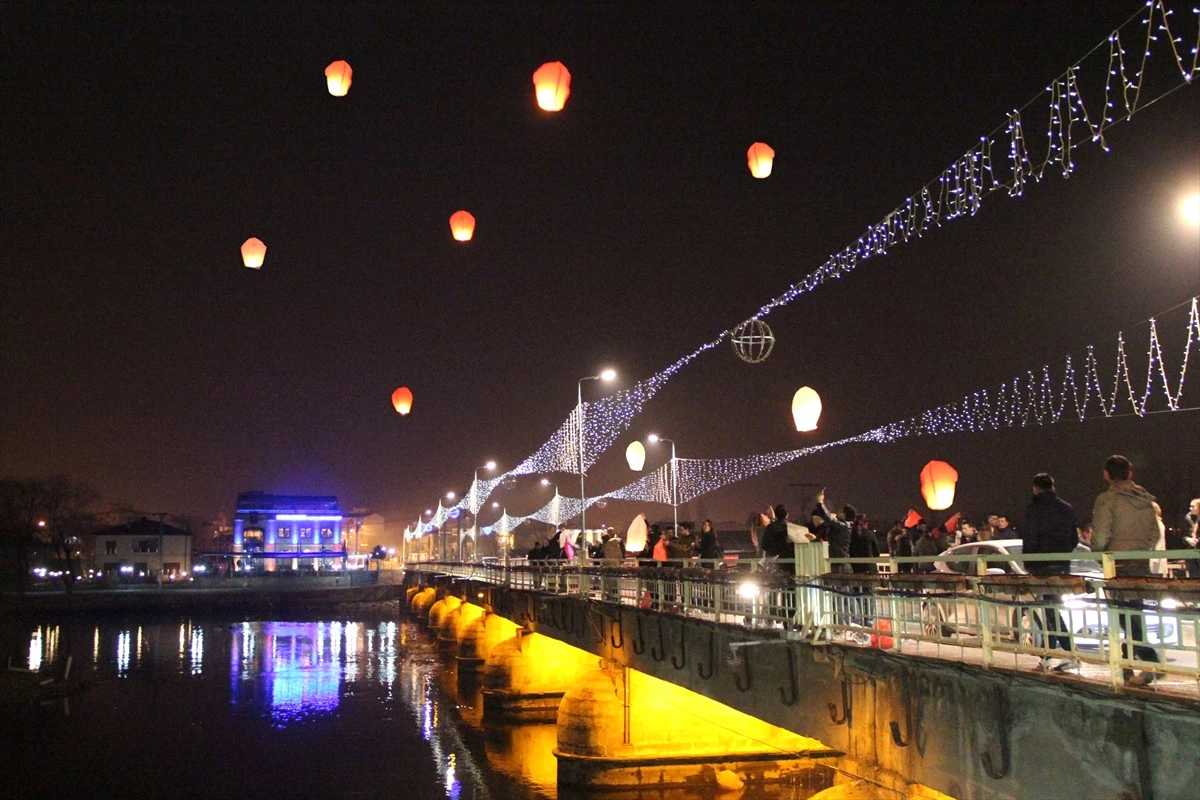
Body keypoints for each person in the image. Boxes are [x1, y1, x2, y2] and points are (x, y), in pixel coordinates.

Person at [1092, 454, 1162, 686]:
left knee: (1126, 617)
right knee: (1133, 615)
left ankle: (1151, 661)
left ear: (1106, 475)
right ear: (1130, 474)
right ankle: (1126, 667)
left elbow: (1101, 537)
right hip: (1140, 563)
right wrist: (1142, 550)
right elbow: (1155, 534)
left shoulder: (1107, 500)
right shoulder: (1145, 500)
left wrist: (1099, 555)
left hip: (1118, 564)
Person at [1023, 472, 1080, 672]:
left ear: (1035, 488)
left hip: (1042, 565)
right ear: (1053, 487)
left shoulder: (1034, 509)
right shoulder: (1067, 509)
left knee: (1051, 611)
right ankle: (1053, 656)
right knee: (1052, 610)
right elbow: (1074, 540)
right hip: (1062, 566)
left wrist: (1028, 564)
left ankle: (1062, 654)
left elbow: (1030, 539)